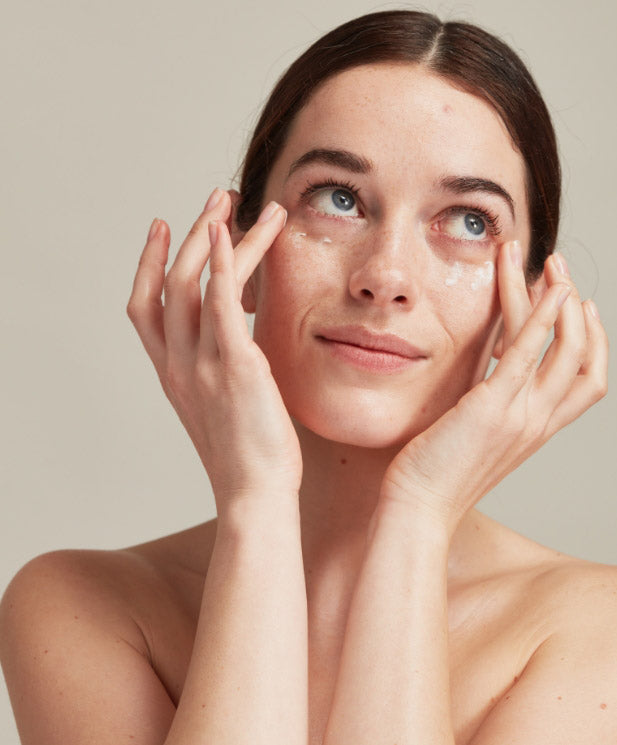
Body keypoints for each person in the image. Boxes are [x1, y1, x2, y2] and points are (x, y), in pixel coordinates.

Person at [0, 8, 612, 745]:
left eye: (469, 220)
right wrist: (256, 506)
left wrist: (416, 516)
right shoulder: (82, 606)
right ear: (236, 251)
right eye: (338, 198)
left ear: (531, 297)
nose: (385, 277)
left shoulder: (591, 633)